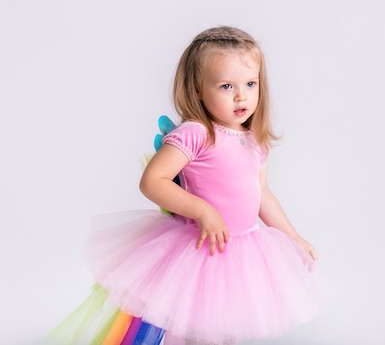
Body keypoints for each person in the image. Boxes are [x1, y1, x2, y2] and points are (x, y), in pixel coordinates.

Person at [47, 26, 324, 345]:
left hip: (242, 252)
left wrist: (293, 237)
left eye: (250, 83)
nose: (241, 95)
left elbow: (262, 194)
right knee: (193, 329)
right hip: (201, 250)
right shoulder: (196, 133)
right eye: (226, 86)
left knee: (224, 327)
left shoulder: (255, 140)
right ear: (197, 90)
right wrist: (203, 211)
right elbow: (153, 181)